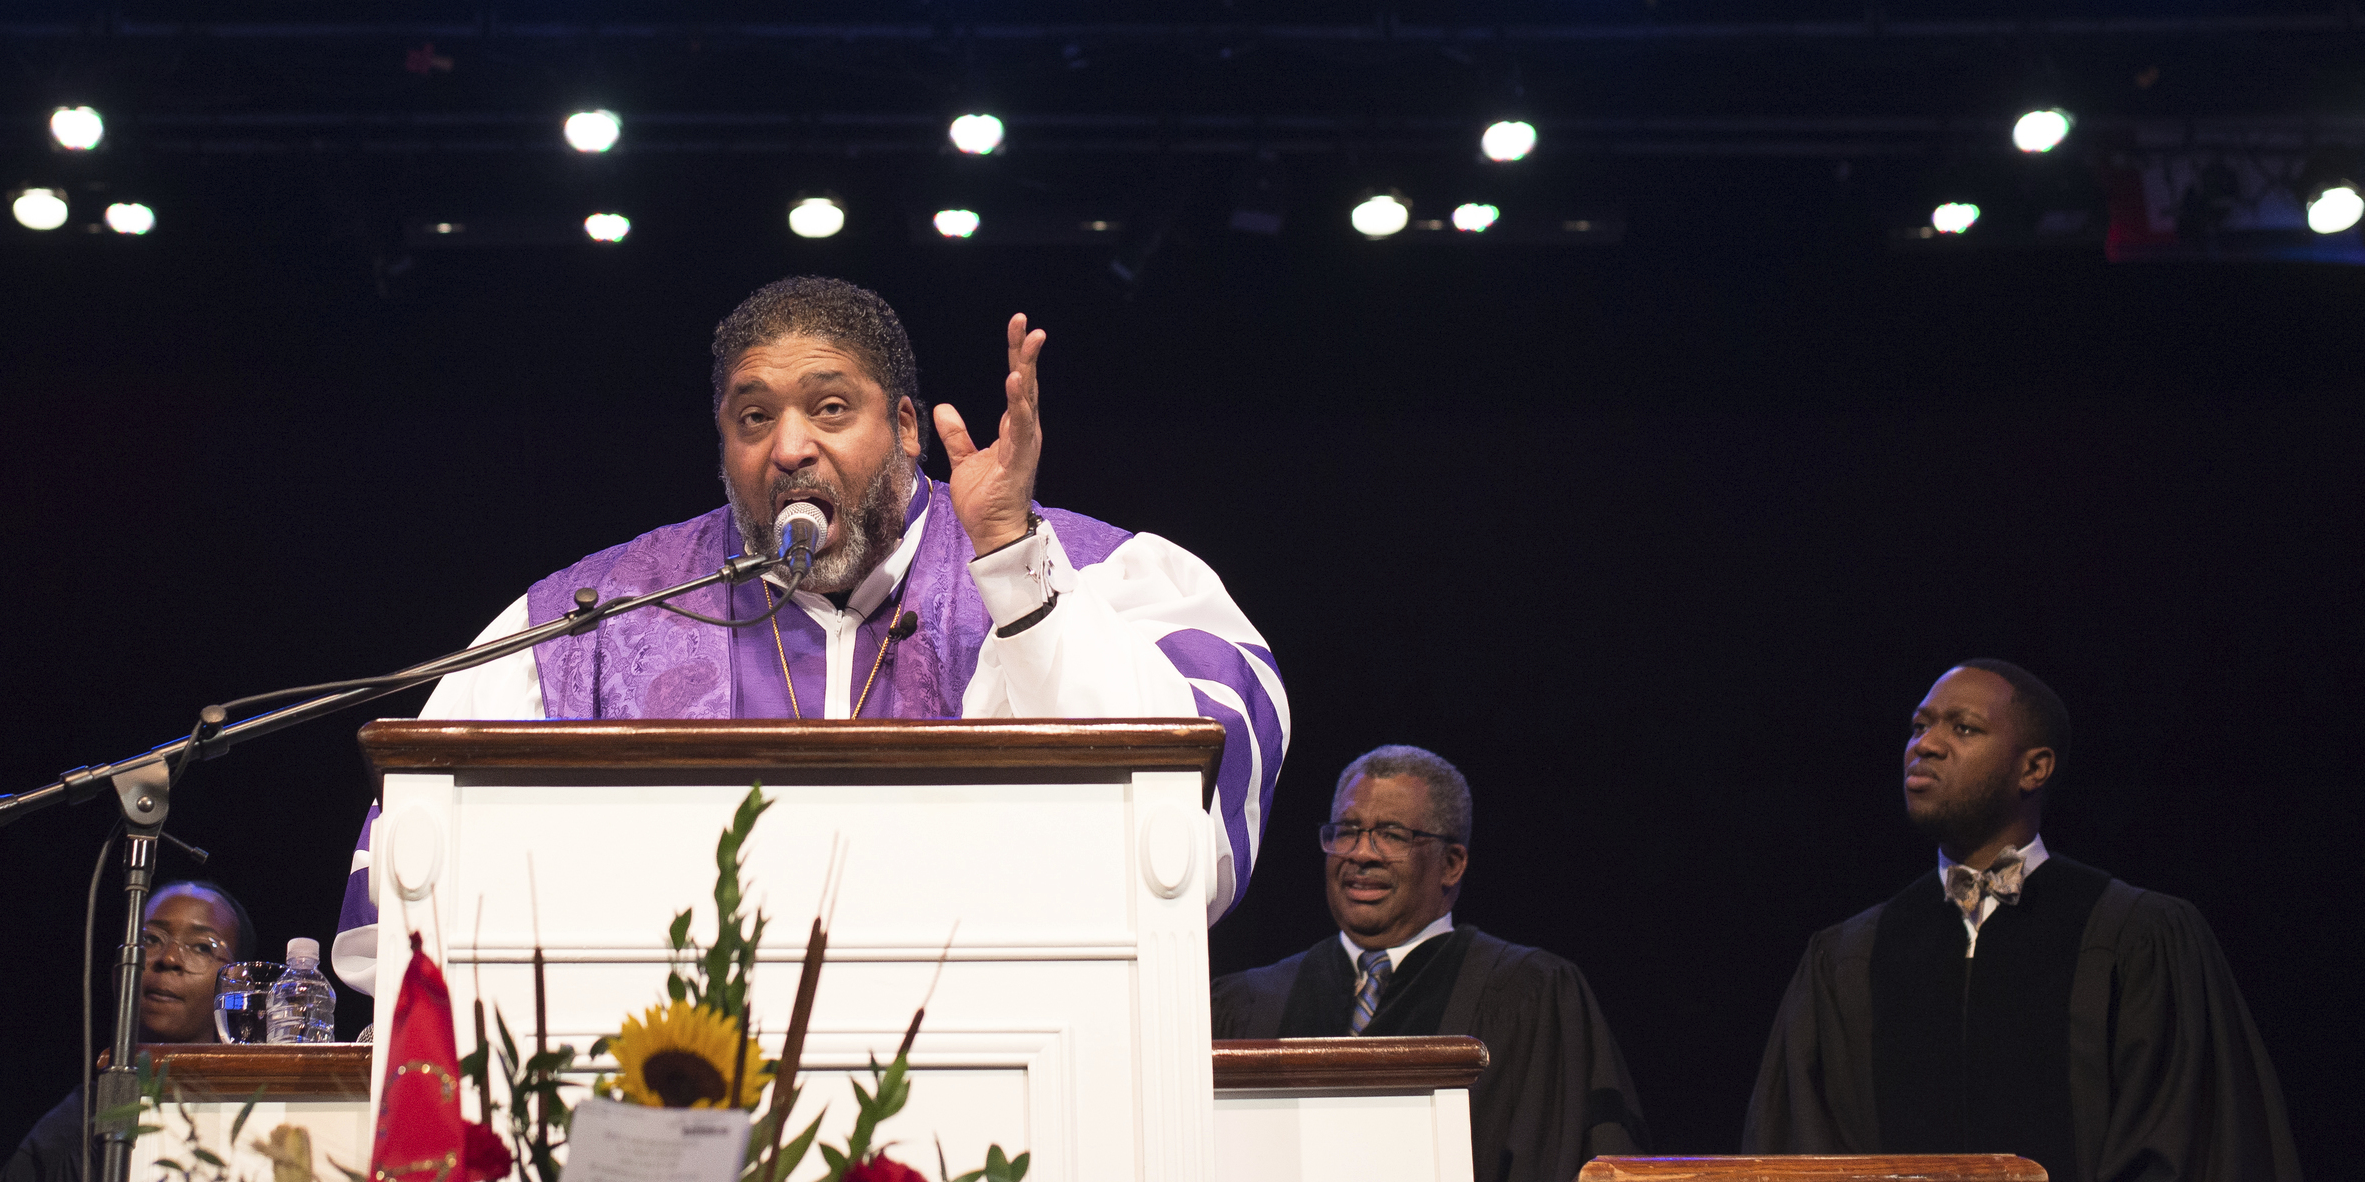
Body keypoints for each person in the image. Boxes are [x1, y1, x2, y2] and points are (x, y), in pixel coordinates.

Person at [334, 277, 1288, 987]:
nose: (788, 447)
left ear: (907, 426)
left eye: (830, 408)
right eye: (754, 418)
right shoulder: (586, 622)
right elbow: (405, 914)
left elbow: (1182, 852)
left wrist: (1008, 557)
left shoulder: (1111, 578)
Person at [1743, 659, 2301, 1182]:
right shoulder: (1846, 959)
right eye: (1919, 726)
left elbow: (2183, 1140)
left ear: (2034, 768)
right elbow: (1803, 1153)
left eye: (1963, 729)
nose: (1926, 746)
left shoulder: (2136, 936)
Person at [1211, 747, 1644, 1182]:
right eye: (1346, 831)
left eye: (1392, 835)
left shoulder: (1531, 994)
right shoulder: (1247, 1002)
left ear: (1452, 864)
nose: (1361, 854)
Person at [0, 880, 258, 1182]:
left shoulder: (264, 1116)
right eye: (151, 940)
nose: (169, 958)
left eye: (201, 947)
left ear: (238, 989)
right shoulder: (76, 1129)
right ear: (120, 973)